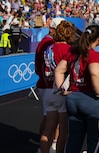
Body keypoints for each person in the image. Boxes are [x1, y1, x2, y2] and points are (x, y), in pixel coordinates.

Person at [54, 25, 99, 153]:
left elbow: (59, 70)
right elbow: (94, 73)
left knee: (74, 138)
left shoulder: (72, 52)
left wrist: (62, 89)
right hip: (92, 100)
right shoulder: (93, 54)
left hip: (73, 98)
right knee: (95, 139)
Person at [39, 20, 76, 153]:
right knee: (63, 131)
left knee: (48, 129)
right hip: (62, 91)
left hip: (49, 89)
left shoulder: (49, 48)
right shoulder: (69, 50)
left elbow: (44, 69)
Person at [34, 17, 65, 152]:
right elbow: (41, 66)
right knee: (51, 120)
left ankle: (49, 144)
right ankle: (47, 146)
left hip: (48, 84)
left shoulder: (48, 42)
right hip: (49, 85)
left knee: (51, 119)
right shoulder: (49, 43)